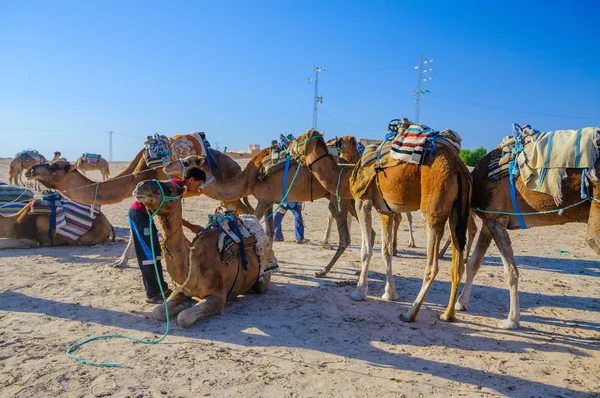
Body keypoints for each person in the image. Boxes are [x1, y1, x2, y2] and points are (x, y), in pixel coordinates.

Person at [128, 167, 207, 304]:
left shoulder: (176, 187)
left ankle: (162, 289)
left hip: (146, 215)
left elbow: (173, 216)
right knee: (148, 254)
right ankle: (152, 294)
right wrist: (191, 228)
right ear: (191, 180)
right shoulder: (175, 188)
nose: (198, 188)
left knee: (156, 252)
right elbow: (173, 215)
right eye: (198, 184)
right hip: (139, 214)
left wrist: (185, 237)